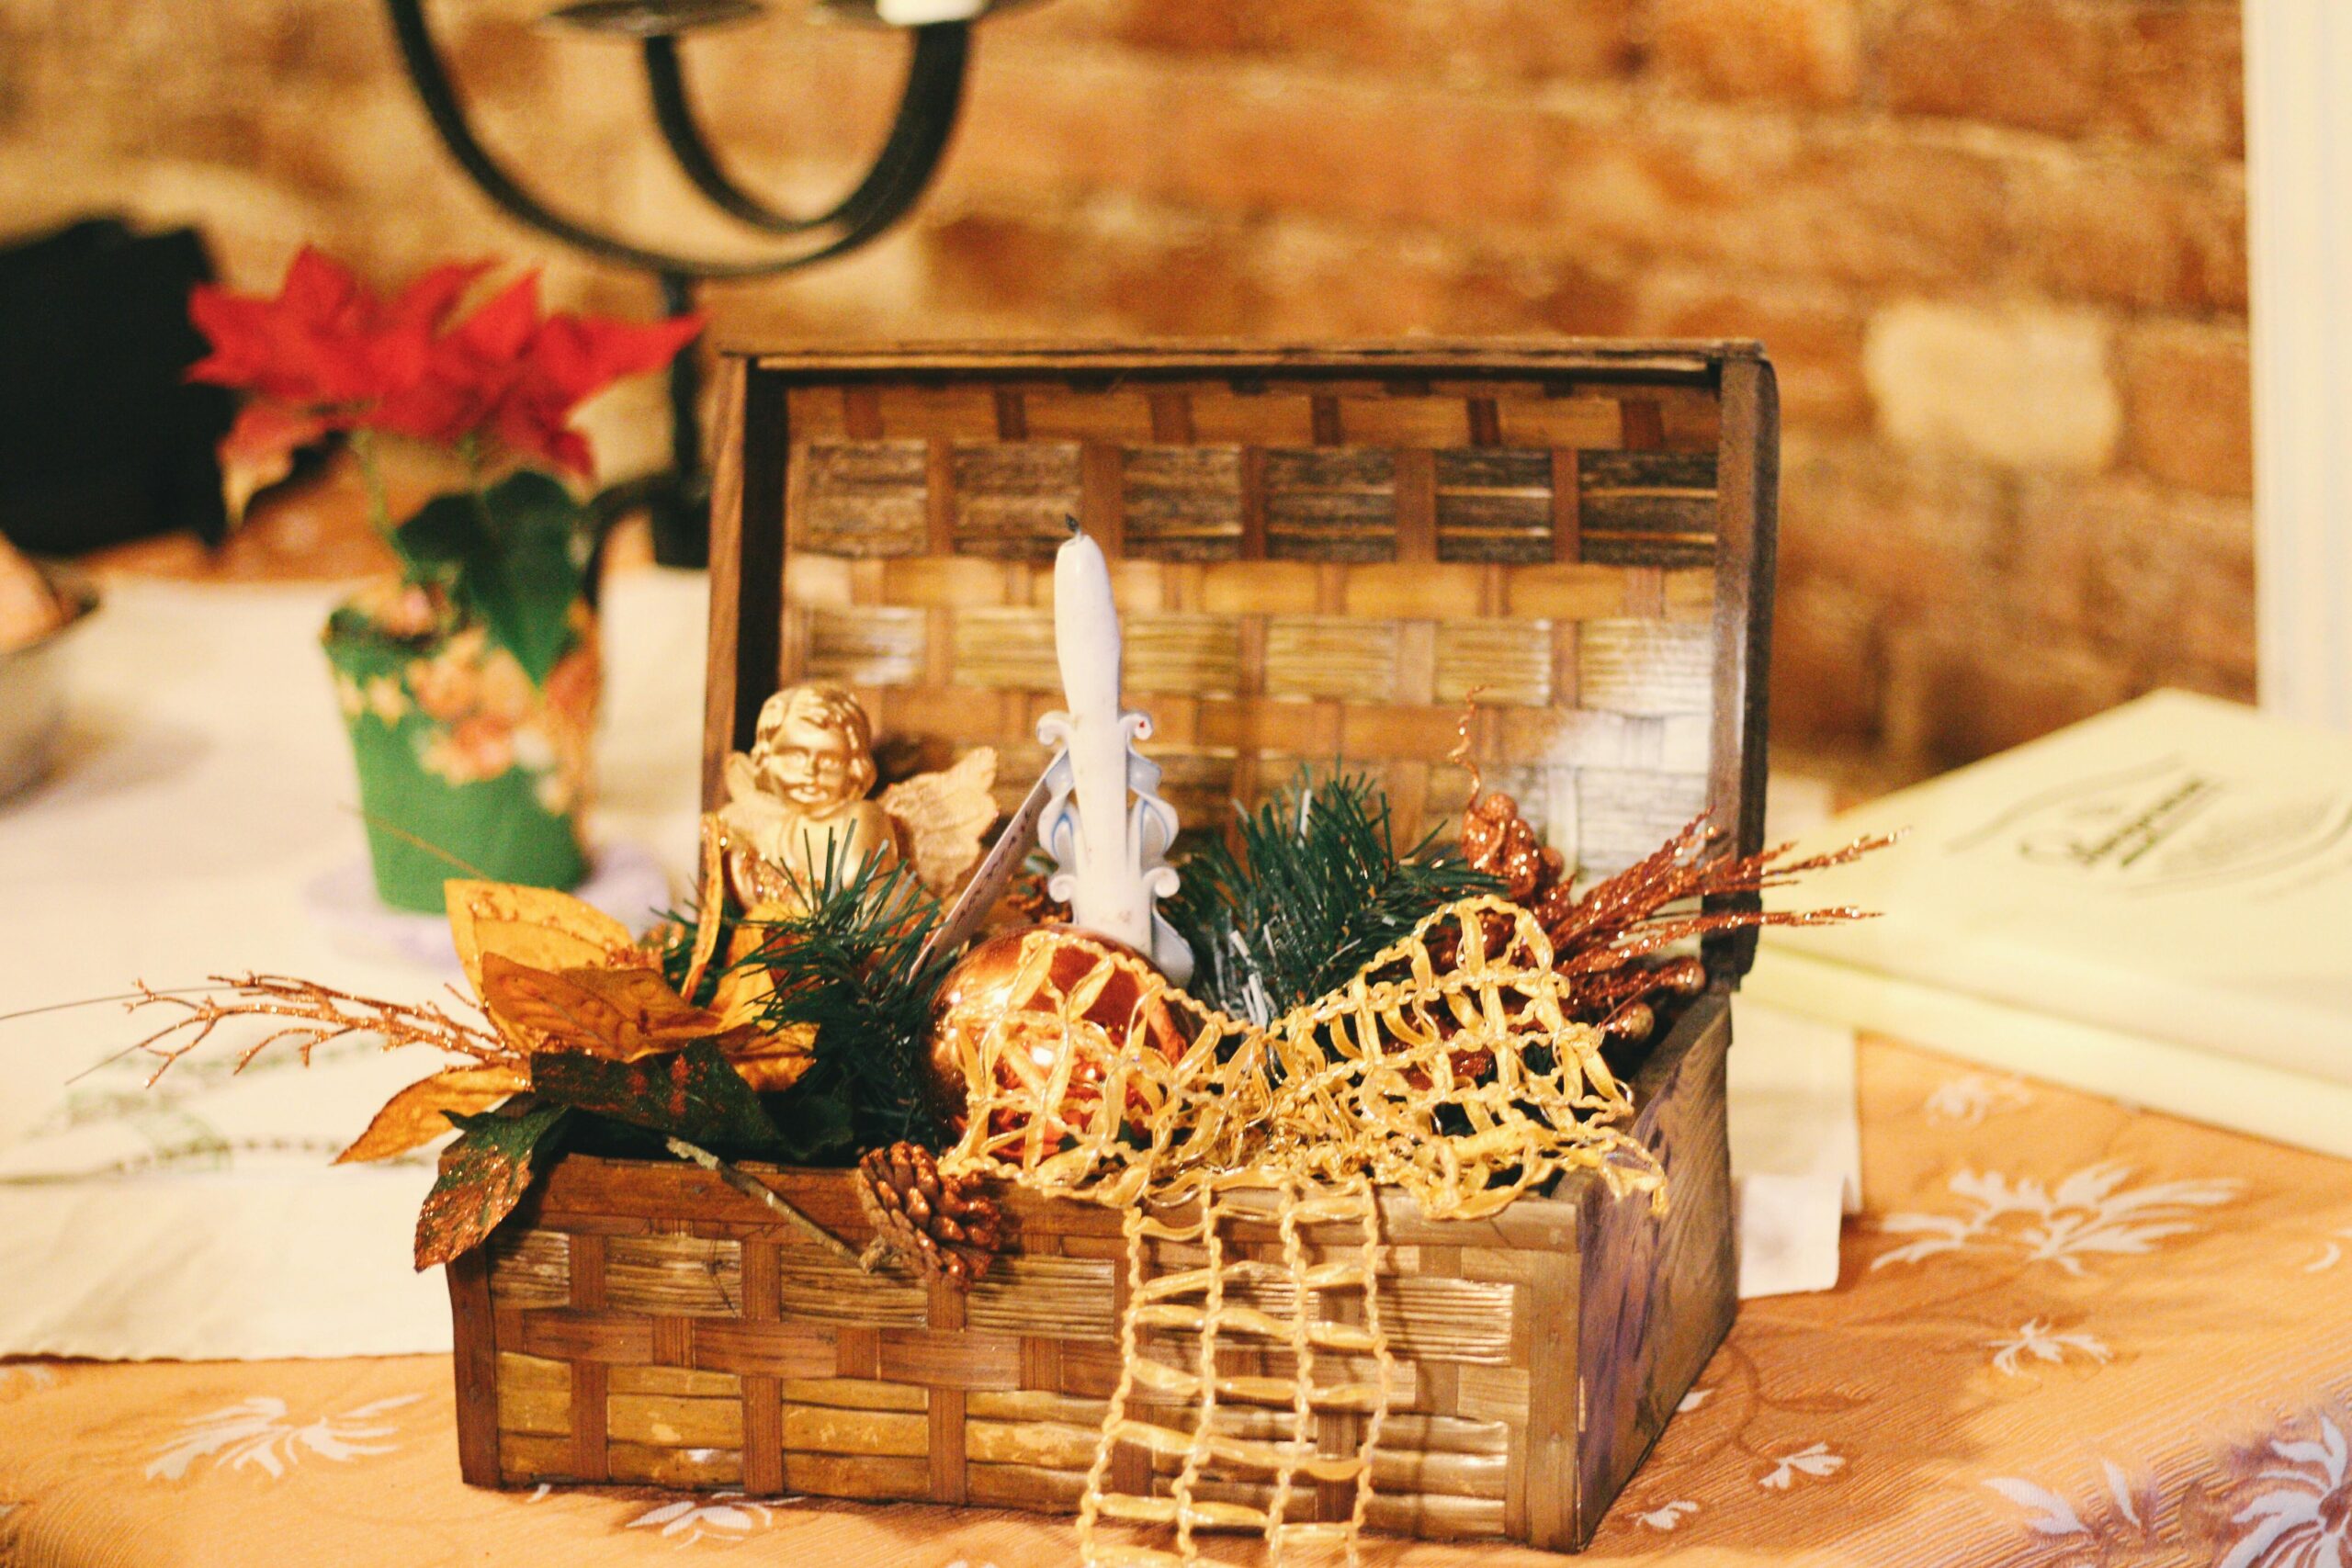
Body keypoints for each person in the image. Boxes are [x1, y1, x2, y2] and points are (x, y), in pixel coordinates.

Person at [718, 682, 899, 908]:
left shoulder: (863, 817)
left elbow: (846, 893)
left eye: (829, 760)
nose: (810, 772)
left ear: (853, 768)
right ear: (766, 758)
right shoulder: (773, 836)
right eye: (795, 756)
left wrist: (776, 898)